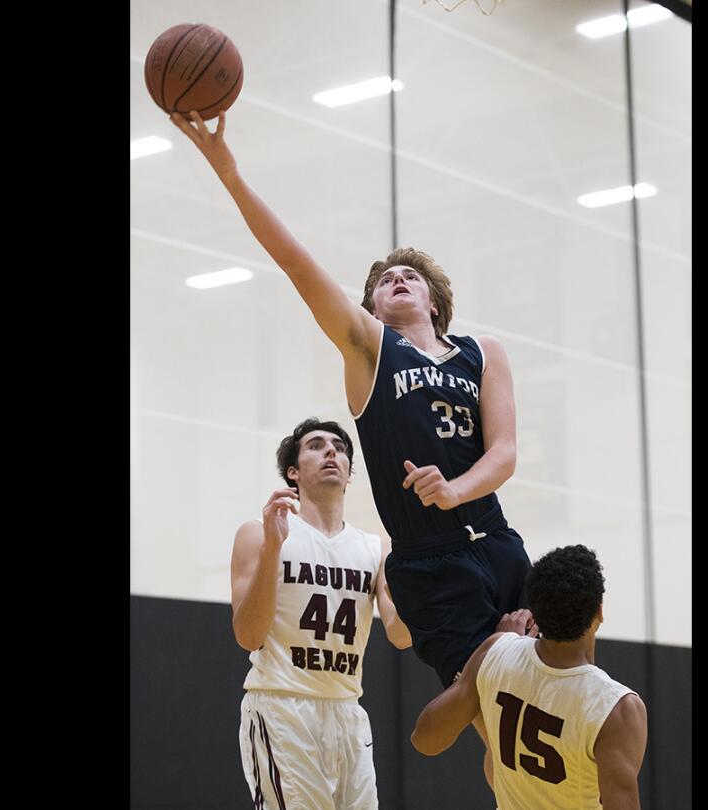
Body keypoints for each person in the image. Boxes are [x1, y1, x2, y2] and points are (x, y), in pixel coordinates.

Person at [171, 109, 537, 780]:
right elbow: (293, 261)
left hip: (498, 539)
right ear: (370, 306)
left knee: (558, 702)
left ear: (435, 302)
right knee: (498, 727)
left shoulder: (485, 354)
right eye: (382, 280)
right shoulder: (372, 349)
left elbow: (506, 452)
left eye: (410, 276)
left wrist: (457, 488)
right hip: (432, 564)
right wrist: (229, 171)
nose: (396, 280)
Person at [233, 418, 412, 809]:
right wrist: (271, 550)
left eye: (340, 447)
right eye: (316, 445)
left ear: (348, 474)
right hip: (283, 704)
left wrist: (432, 575)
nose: (332, 451)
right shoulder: (259, 533)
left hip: (347, 709)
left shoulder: (374, 547)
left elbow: (400, 635)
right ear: (293, 473)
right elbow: (248, 635)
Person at [410, 545, 647, 809]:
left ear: (536, 610)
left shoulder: (495, 650)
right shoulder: (617, 708)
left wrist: (507, 653)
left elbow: (425, 740)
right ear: (599, 611)